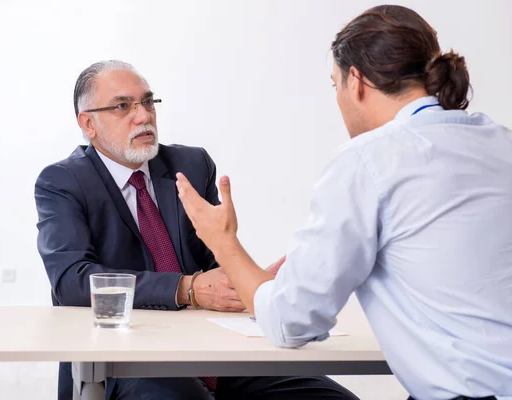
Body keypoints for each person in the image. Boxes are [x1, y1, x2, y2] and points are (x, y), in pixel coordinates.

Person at [175, 5, 512, 400]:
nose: (337, 98)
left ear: (355, 81)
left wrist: (222, 241)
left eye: (335, 85)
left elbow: (290, 322)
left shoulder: (369, 159)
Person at [34, 60, 358, 400]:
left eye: (147, 102)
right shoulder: (63, 182)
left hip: (209, 350)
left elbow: (212, 270)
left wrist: (246, 279)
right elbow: (72, 281)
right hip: (123, 360)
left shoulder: (189, 166)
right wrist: (186, 288)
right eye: (122, 106)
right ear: (89, 124)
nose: (143, 116)